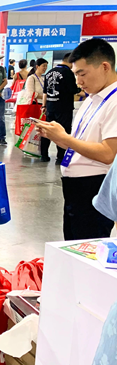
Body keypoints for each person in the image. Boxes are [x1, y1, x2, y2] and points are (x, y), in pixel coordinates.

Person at [36, 38, 117, 241]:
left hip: (95, 186)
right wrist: (57, 137)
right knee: (73, 246)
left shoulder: (114, 101)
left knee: (89, 247)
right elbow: (81, 143)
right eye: (75, 74)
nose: (78, 81)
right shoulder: (92, 98)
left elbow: (108, 154)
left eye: (82, 74)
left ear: (104, 67)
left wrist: (66, 139)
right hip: (75, 187)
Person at [41, 53, 84, 164]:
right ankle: (60, 158)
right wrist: (81, 91)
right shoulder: (68, 73)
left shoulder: (49, 72)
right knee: (63, 131)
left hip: (50, 107)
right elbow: (72, 90)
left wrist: (44, 106)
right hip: (64, 108)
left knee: (47, 130)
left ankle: (44, 155)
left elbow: (45, 92)